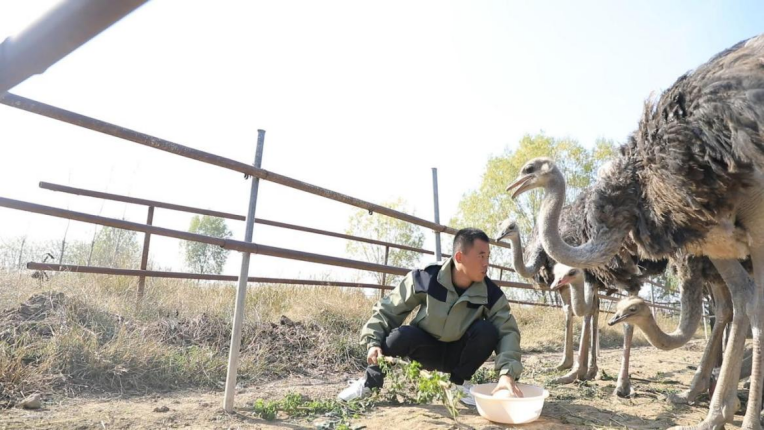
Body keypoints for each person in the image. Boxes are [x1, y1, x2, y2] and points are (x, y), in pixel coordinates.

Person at [337, 228, 523, 405]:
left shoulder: (490, 293)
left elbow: (507, 331)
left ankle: (458, 385)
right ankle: (369, 383)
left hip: (458, 355)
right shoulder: (426, 278)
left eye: (488, 257)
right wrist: (373, 343)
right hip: (424, 350)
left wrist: (507, 374)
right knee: (401, 335)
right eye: (481, 256)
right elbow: (388, 310)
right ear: (459, 257)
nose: (486, 264)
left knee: (487, 330)